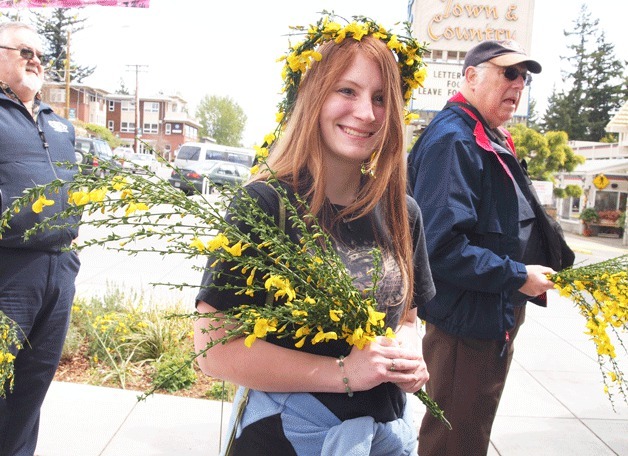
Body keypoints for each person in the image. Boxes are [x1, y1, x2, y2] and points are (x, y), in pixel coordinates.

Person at [194, 24, 436, 455]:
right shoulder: (265, 205)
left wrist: (406, 355)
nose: (367, 112)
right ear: (314, 96)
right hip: (284, 439)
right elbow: (215, 350)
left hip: (384, 436)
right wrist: (343, 372)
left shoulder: (403, 212)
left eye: (381, 98)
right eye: (347, 91)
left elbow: (408, 319)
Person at [407, 39, 574, 456]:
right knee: (454, 441)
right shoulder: (455, 139)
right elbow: (441, 248)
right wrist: (520, 276)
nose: (519, 84)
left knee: (468, 432)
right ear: (470, 76)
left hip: (488, 315)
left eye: (525, 78)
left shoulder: (485, 135)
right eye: (509, 72)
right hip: (466, 325)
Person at [0, 22, 80, 456]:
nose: (35, 61)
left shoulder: (59, 124)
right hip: (8, 271)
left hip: (58, 270)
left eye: (41, 55)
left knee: (31, 388)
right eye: (24, 51)